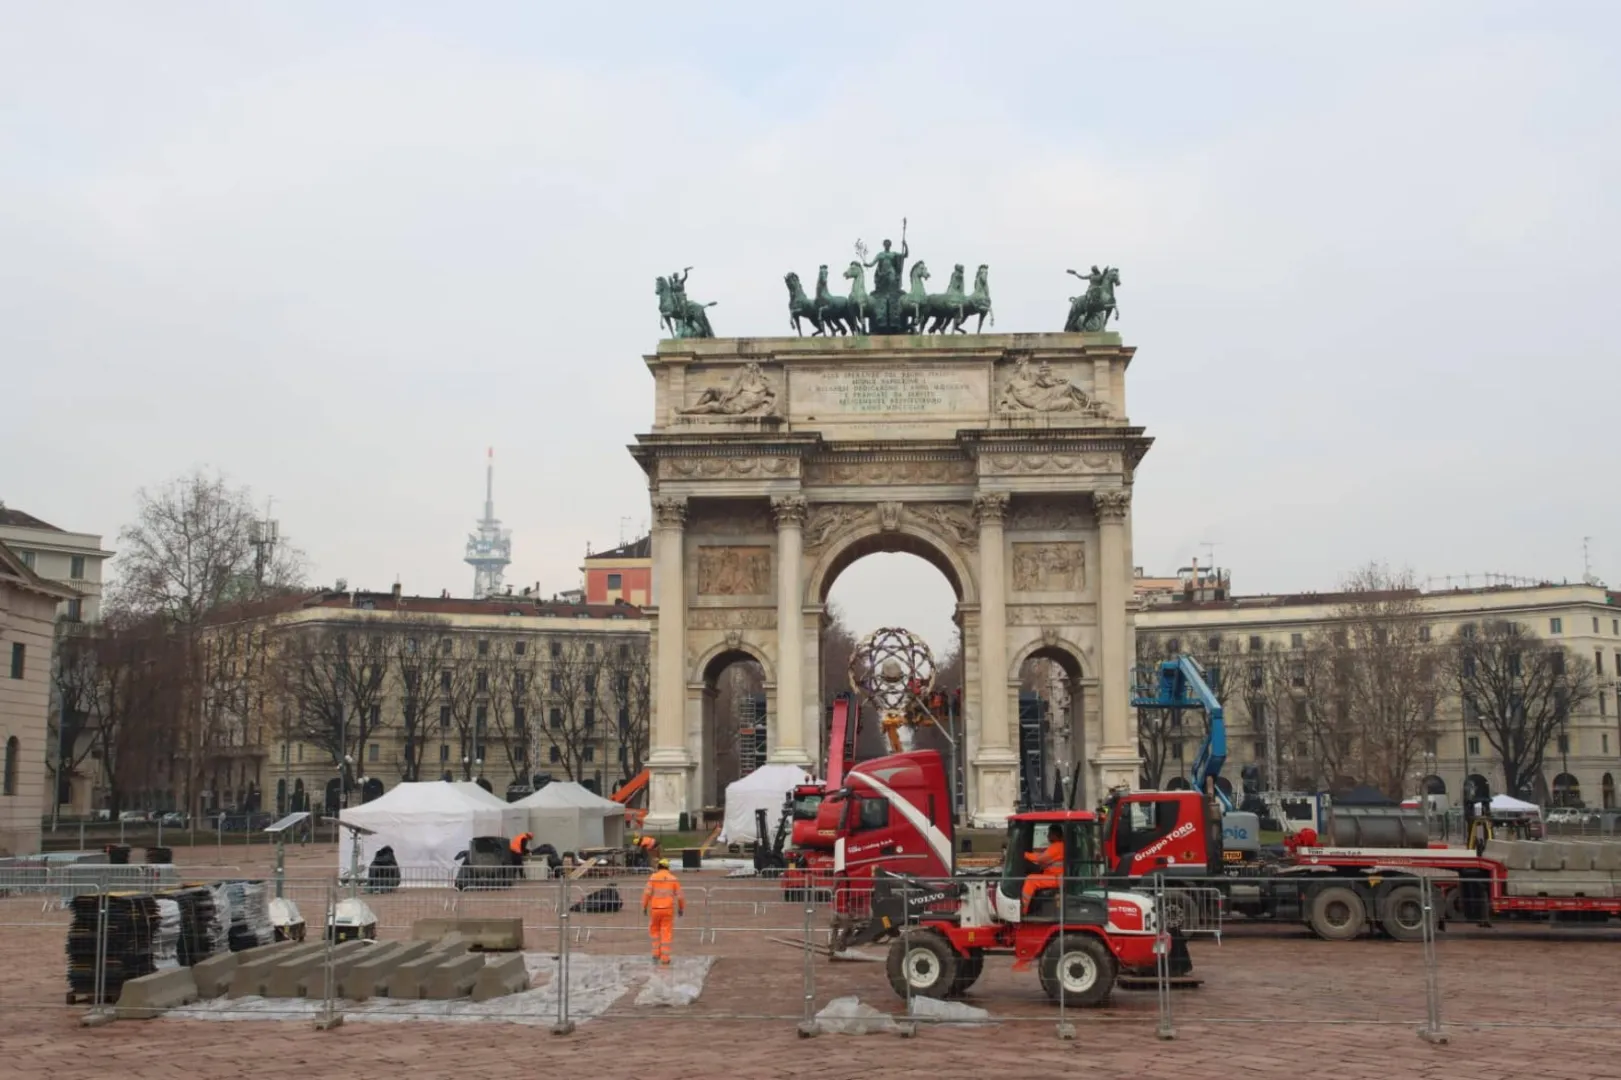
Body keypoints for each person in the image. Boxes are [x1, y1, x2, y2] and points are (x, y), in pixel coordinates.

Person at [641, 858, 685, 965]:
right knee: (666, 932)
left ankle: (656, 954)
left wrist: (644, 906)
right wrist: (681, 908)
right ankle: (665, 958)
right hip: (668, 910)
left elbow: (647, 894)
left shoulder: (653, 878)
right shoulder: (673, 879)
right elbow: (680, 896)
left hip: (655, 909)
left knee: (655, 931)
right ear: (668, 867)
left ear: (658, 867)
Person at [1021, 824, 1066, 913]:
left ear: (1055, 834)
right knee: (1034, 876)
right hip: (1056, 877)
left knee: (1031, 879)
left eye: (1049, 833)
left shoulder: (1057, 846)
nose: (1047, 836)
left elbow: (1040, 858)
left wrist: (1024, 855)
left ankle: (1022, 910)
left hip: (1057, 878)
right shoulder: (1059, 846)